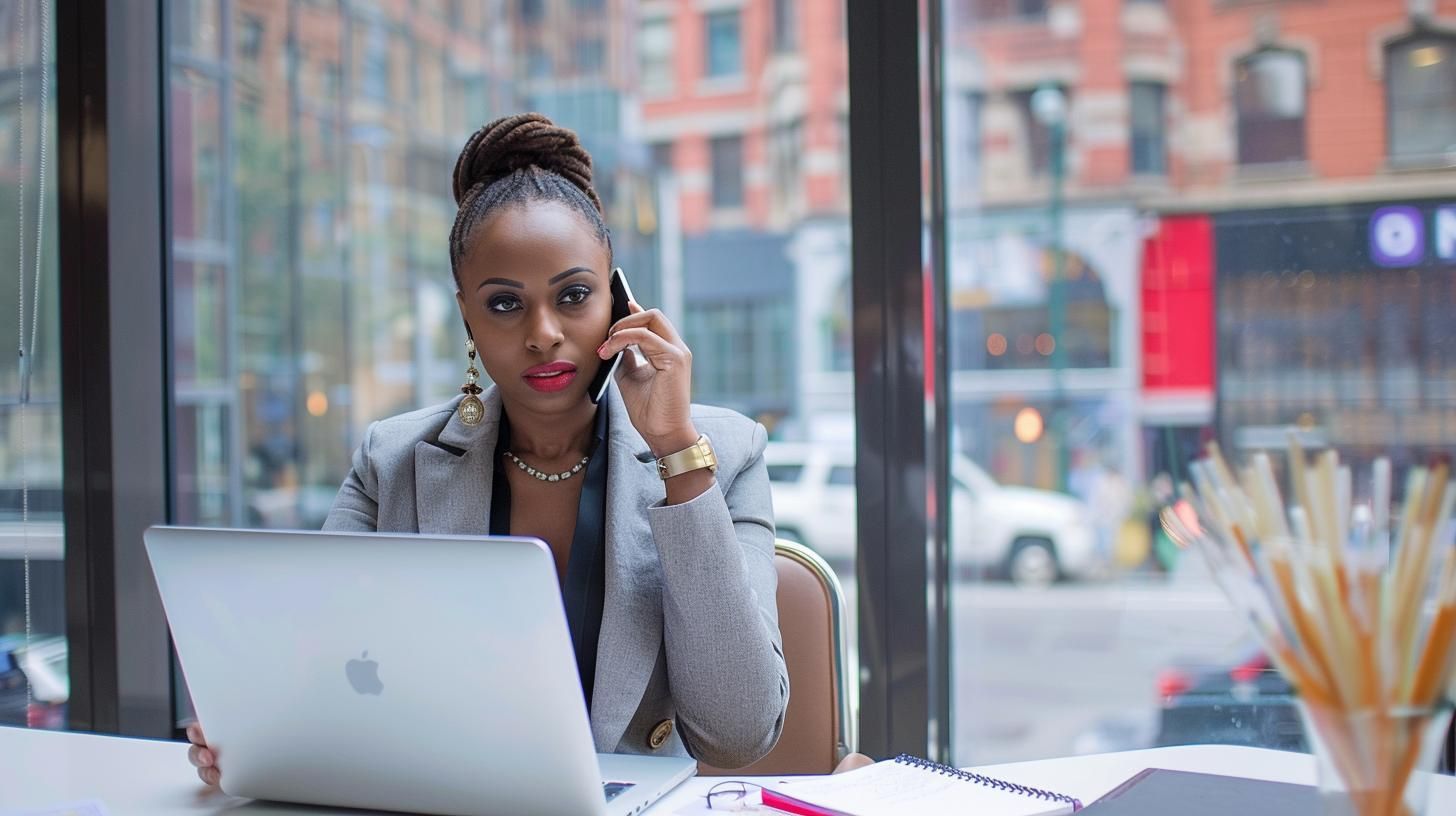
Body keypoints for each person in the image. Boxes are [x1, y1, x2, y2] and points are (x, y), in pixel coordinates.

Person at [187, 113, 789, 786]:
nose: (543, 334)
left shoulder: (724, 454)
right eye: (505, 305)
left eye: (575, 295)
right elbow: (321, 672)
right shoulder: (393, 464)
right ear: (467, 315)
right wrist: (257, 734)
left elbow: (737, 734)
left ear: (619, 304)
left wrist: (677, 452)